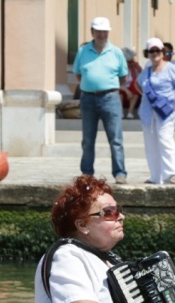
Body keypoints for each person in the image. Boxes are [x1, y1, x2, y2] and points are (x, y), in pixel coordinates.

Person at [34, 175, 161, 303]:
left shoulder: (109, 261)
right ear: (83, 225)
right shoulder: (66, 254)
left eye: (119, 210)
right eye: (109, 212)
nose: (121, 217)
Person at [73, 17, 129, 185]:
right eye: (98, 31)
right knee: (88, 139)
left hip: (110, 98)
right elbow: (78, 74)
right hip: (88, 98)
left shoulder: (116, 52)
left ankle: (120, 173)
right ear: (92, 32)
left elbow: (123, 77)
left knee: (116, 139)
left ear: (108, 32)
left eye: (104, 31)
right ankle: (87, 174)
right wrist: (91, 85)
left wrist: (107, 87)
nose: (102, 34)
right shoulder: (83, 51)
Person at [137, 38, 175, 185]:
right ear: (147, 53)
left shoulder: (171, 68)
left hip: (165, 111)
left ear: (163, 52)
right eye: (151, 51)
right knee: (150, 143)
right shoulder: (146, 70)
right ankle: (155, 176)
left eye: (158, 50)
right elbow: (138, 85)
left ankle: (171, 174)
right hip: (148, 113)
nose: (155, 53)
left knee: (165, 140)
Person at [120, 47, 142, 120]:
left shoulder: (136, 67)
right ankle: (120, 112)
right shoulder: (118, 69)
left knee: (135, 82)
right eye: (129, 62)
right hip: (121, 96)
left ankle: (130, 112)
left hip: (133, 97)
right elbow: (114, 84)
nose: (131, 63)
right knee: (118, 90)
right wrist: (127, 91)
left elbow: (141, 81)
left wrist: (138, 68)